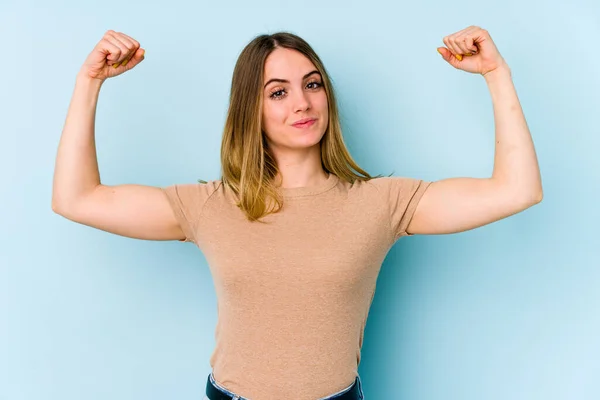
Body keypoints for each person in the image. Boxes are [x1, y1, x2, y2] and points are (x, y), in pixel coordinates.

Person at [52, 26, 543, 400]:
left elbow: (516, 190)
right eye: (278, 92)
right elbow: (76, 198)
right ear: (252, 109)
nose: (303, 103)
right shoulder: (210, 205)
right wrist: (88, 81)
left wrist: (496, 75)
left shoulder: (382, 202)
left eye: (312, 84)